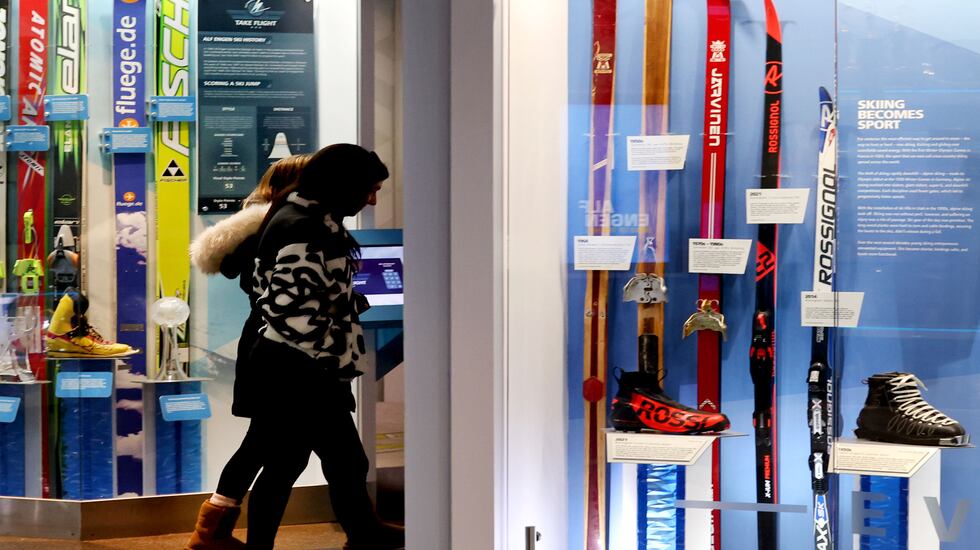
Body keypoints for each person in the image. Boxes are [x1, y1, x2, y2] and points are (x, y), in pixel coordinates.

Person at [243, 144, 402, 549]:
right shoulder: (307, 228)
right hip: (301, 368)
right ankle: (364, 537)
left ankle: (363, 535)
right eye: (370, 189)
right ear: (343, 185)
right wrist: (332, 352)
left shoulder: (300, 218)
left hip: (291, 365)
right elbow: (289, 309)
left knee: (297, 461)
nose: (372, 200)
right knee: (327, 461)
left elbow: (286, 296)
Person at [185, 154, 311, 550]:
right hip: (278, 348)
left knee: (271, 445)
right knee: (273, 446)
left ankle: (213, 530)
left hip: (264, 344)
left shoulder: (261, 228)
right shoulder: (282, 227)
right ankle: (212, 533)